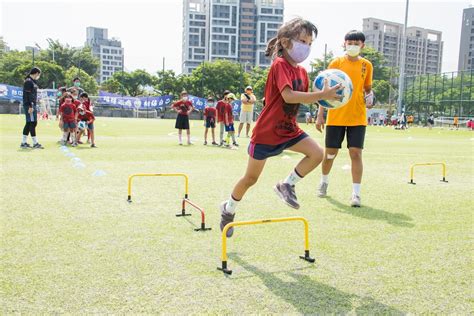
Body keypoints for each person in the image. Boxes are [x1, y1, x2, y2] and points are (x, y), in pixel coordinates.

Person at [219, 18, 341, 237]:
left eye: (310, 43)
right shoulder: (280, 65)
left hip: (289, 129)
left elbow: (308, 98)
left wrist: (323, 106)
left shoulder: (302, 72)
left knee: (316, 154)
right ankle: (228, 209)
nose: (307, 46)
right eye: (302, 41)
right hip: (267, 132)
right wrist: (322, 95)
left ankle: (287, 185)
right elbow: (289, 95)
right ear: (285, 42)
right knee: (250, 179)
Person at [316, 30, 374, 207]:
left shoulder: (367, 65)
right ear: (344, 43)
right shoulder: (336, 62)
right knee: (330, 155)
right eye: (349, 42)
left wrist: (370, 97)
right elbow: (325, 91)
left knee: (355, 153)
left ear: (362, 45)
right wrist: (320, 115)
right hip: (336, 116)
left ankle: (356, 194)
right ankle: (324, 182)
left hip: (357, 116)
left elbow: (367, 89)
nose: (352, 45)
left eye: (356, 43)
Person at [21, 67, 44, 149]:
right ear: (36, 73)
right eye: (39, 74)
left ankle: (23, 142)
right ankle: (35, 143)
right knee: (32, 123)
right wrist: (30, 106)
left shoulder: (33, 81)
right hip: (29, 105)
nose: (39, 76)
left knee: (29, 123)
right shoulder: (28, 81)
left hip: (33, 104)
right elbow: (27, 95)